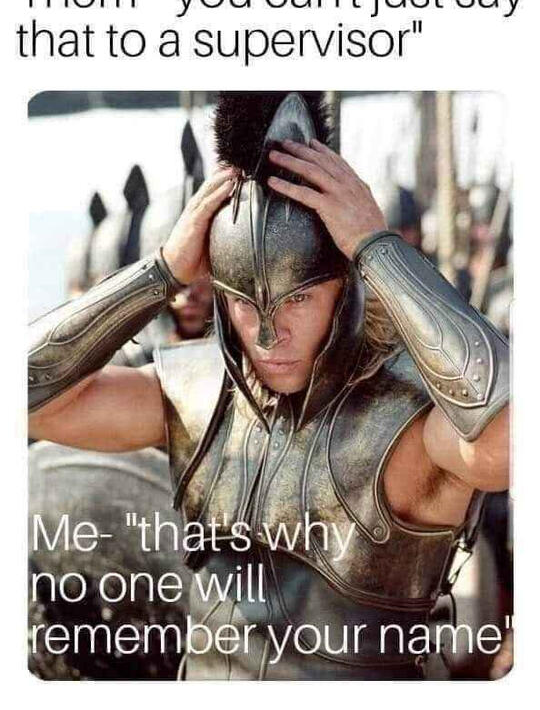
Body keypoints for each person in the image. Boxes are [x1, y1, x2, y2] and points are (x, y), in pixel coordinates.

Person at [28, 92, 509, 680]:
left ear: (346, 288)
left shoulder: (410, 417)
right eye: (242, 302)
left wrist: (376, 249)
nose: (267, 334)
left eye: (298, 298)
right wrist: (162, 271)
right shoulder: (196, 395)